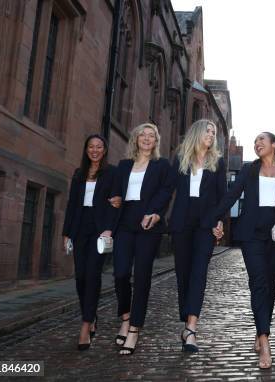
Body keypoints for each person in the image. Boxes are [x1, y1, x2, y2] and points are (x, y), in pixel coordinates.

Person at [211, 132, 275, 369]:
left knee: (271, 285)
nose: (257, 143)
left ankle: (262, 326)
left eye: (262, 140)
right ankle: (265, 338)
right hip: (251, 235)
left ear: (274, 145)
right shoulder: (249, 169)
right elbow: (231, 195)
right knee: (259, 282)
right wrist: (215, 219)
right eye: (255, 141)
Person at [109, 123, 173, 355]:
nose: (146, 139)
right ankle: (125, 317)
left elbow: (166, 191)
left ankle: (134, 328)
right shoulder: (124, 165)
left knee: (142, 276)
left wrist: (155, 213)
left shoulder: (162, 165)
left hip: (148, 225)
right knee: (121, 273)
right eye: (142, 135)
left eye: (151, 136)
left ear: (156, 141)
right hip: (124, 224)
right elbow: (116, 193)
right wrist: (114, 200)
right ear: (135, 139)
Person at [168, 119, 226, 352]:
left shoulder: (218, 163)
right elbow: (166, 189)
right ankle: (186, 320)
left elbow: (223, 196)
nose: (211, 135)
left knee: (199, 273)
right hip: (182, 222)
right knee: (183, 273)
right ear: (197, 133)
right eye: (208, 131)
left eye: (214, 132)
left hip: (206, 224)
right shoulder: (180, 159)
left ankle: (192, 328)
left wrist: (219, 222)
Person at [62, 134, 117, 351]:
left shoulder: (111, 173)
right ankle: (91, 313)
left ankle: (86, 325)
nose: (94, 150)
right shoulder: (78, 174)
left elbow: (116, 203)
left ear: (104, 150)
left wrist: (109, 229)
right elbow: (72, 204)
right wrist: (66, 233)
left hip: (99, 229)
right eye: (91, 147)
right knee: (81, 276)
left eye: (99, 147)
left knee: (93, 274)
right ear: (86, 150)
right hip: (79, 228)